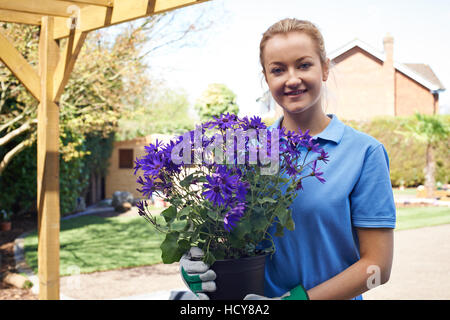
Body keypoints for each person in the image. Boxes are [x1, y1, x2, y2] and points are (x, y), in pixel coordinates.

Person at [179, 18, 396, 300]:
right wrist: (196, 265)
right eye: (278, 70)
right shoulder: (246, 151)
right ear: (267, 79)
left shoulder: (364, 153)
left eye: (304, 65)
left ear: (325, 68)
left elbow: (377, 266)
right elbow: (226, 240)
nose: (292, 79)